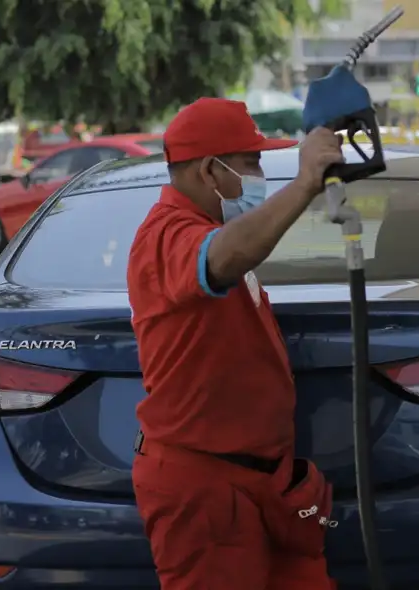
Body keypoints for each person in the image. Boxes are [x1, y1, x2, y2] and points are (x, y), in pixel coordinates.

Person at [126, 97, 344, 590]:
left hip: (268, 484)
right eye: (251, 163)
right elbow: (222, 258)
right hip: (205, 492)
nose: (261, 174)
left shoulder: (209, 226)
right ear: (211, 171)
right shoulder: (167, 235)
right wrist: (306, 182)